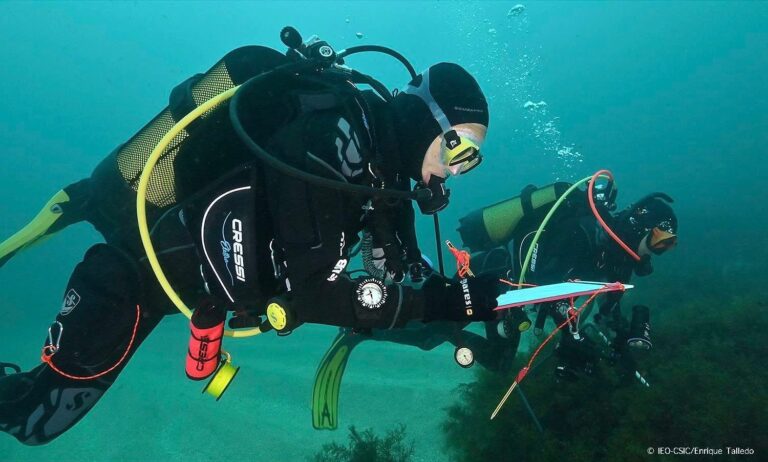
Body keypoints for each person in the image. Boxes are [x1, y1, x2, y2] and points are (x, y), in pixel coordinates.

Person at [0, 28, 502, 445]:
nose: (457, 171)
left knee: (36, 420)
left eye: (471, 161)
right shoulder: (331, 139)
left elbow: (398, 276)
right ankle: (90, 202)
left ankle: (81, 203)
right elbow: (315, 297)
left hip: (186, 288)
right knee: (35, 420)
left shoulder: (384, 179)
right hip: (135, 271)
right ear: (424, 121)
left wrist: (469, 311)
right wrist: (449, 303)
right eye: (458, 150)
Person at [310, 181, 678, 428]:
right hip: (492, 279)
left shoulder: (617, 262)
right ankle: (365, 319)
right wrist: (569, 333)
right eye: (660, 238)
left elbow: (605, 310)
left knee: (492, 358)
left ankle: (400, 319)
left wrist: (620, 342)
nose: (659, 249)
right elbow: (536, 270)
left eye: (668, 245)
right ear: (639, 224)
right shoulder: (582, 232)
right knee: (430, 322)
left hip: (513, 303)